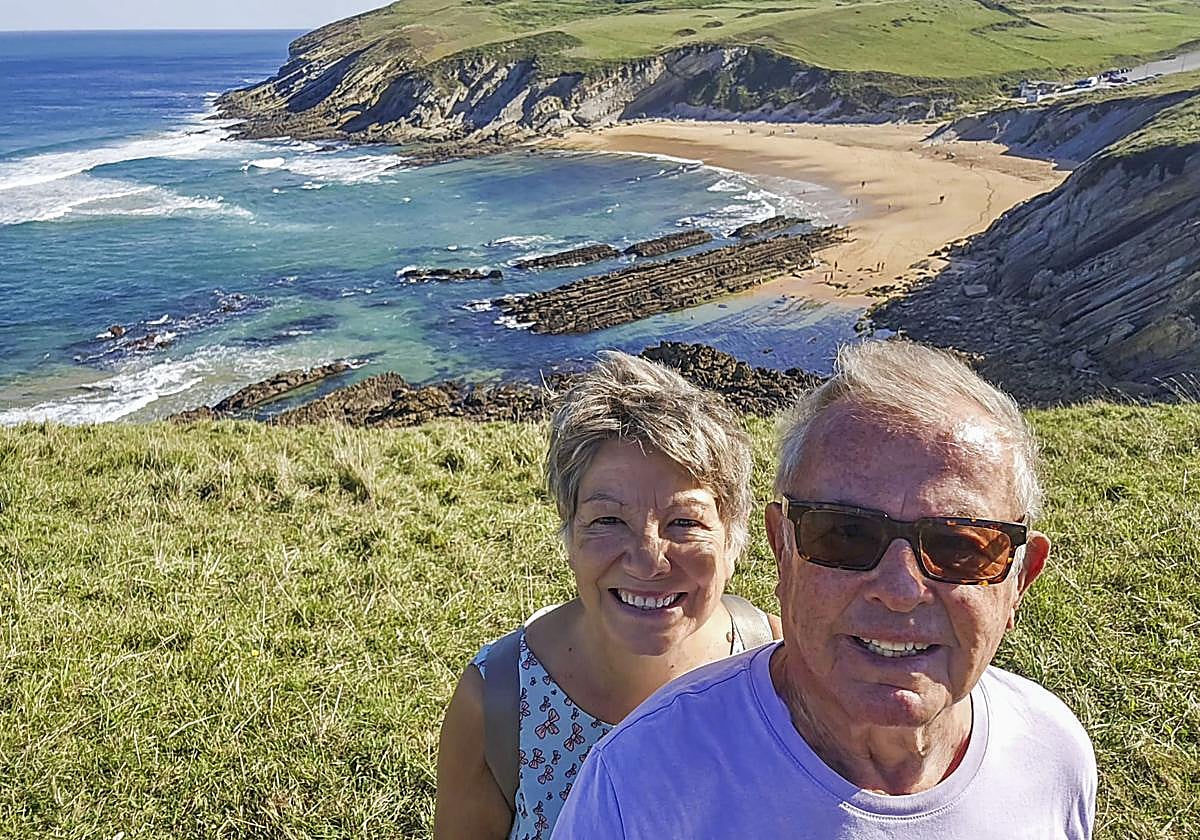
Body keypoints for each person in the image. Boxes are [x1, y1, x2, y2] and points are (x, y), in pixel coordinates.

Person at [553, 341, 1097, 838]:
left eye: (958, 546)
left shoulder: (1053, 753)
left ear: (1019, 579)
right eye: (845, 535)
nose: (901, 589)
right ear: (782, 549)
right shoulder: (638, 786)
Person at [435, 351, 780, 839]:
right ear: (570, 536)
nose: (648, 560)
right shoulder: (500, 701)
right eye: (609, 520)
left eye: (684, 522)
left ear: (732, 540)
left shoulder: (787, 672)